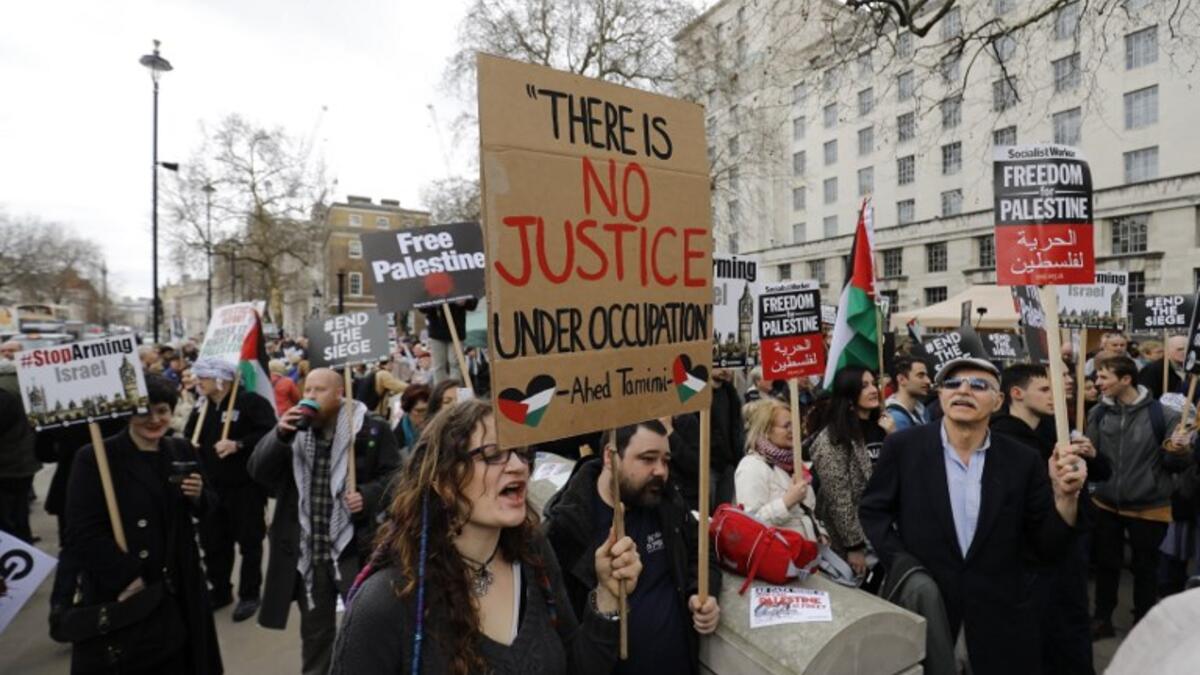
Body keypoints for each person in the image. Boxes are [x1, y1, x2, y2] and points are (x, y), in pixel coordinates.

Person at [331, 400, 642, 674]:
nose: (519, 466)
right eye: (493, 455)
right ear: (443, 481)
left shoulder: (533, 555)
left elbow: (576, 666)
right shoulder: (385, 602)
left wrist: (607, 596)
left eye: (522, 453)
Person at [859, 357, 1089, 675]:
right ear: (941, 394)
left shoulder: (1022, 460)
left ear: (998, 401)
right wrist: (904, 564)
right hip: (930, 611)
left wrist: (1065, 498)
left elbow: (1047, 545)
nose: (963, 390)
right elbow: (873, 511)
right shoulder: (904, 447)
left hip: (1001, 619)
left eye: (979, 385)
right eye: (953, 383)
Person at [62, 374, 223, 673]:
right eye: (143, 412)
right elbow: (81, 531)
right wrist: (126, 576)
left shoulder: (182, 449)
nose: (154, 419)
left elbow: (209, 508)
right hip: (129, 586)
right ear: (127, 414)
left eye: (162, 410)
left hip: (181, 580)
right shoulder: (96, 457)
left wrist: (199, 496)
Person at [248, 368, 400, 675]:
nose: (310, 396)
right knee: (316, 637)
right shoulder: (293, 431)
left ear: (339, 394)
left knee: (366, 630)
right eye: (307, 390)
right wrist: (278, 436)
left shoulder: (371, 428)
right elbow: (257, 472)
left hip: (354, 552)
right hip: (311, 554)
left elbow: (397, 478)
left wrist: (368, 496)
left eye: (319, 390)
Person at [543, 419, 721, 675]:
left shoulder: (667, 502)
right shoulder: (566, 531)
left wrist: (701, 591)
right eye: (648, 459)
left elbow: (701, 549)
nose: (661, 471)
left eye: (666, 460)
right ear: (610, 457)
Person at [991, 363, 1109, 675]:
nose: (1054, 395)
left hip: (1070, 544)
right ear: (1017, 393)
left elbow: (1103, 472)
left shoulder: (1053, 429)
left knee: (1071, 621)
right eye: (1044, 389)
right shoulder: (1001, 440)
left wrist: (1090, 455)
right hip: (1036, 554)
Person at [1087, 354, 1194, 638]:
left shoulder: (1164, 415)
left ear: (1126, 379)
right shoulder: (1097, 413)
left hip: (1149, 507)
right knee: (1106, 566)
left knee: (1146, 569)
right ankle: (1102, 618)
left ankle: (1143, 626)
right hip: (1106, 504)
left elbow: (1177, 465)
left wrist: (1179, 449)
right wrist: (1086, 453)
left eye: (1104, 376)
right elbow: (1095, 463)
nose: (1097, 382)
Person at [184, 357, 277, 622]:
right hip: (210, 490)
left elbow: (270, 434)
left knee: (249, 542)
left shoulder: (250, 402)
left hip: (245, 487)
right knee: (213, 543)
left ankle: (250, 594)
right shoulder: (202, 407)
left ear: (221, 379)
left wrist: (238, 444)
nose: (198, 382)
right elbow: (190, 436)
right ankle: (221, 590)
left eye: (203, 377)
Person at [810, 367, 892, 579]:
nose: (873, 390)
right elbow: (838, 496)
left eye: (873, 383)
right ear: (848, 393)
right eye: (864, 386)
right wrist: (854, 546)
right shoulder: (833, 438)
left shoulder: (882, 426)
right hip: (857, 538)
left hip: (884, 527)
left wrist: (894, 436)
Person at [734, 399, 825, 542]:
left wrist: (820, 534)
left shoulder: (795, 463)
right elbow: (750, 524)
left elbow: (807, 513)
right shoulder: (751, 466)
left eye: (795, 424)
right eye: (786, 426)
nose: (794, 430)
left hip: (808, 549)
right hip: (780, 550)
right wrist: (787, 501)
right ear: (766, 431)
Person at [670, 368, 744, 510]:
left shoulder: (729, 391)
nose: (724, 369)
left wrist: (736, 458)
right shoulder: (693, 391)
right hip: (706, 464)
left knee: (723, 512)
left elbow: (735, 426)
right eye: (717, 364)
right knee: (706, 512)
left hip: (727, 464)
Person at [421, 298, 478, 384]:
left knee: (455, 363)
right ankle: (441, 390)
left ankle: (455, 388)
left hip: (456, 331)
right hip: (436, 332)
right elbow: (421, 307)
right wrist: (433, 303)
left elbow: (473, 302)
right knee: (438, 365)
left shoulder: (460, 289)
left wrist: (465, 302)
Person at [884, 356, 931, 431]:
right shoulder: (895, 418)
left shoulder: (921, 410)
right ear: (901, 379)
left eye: (926, 375)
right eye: (920, 376)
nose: (928, 381)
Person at [1138, 335, 1189, 400]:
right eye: (1180, 349)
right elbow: (1146, 397)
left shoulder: (1191, 370)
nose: (1184, 352)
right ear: (1168, 350)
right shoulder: (1153, 369)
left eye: (1187, 349)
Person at [393, 383, 431, 454]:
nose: (425, 416)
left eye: (428, 411)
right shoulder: (397, 438)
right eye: (419, 411)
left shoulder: (439, 430)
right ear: (408, 410)